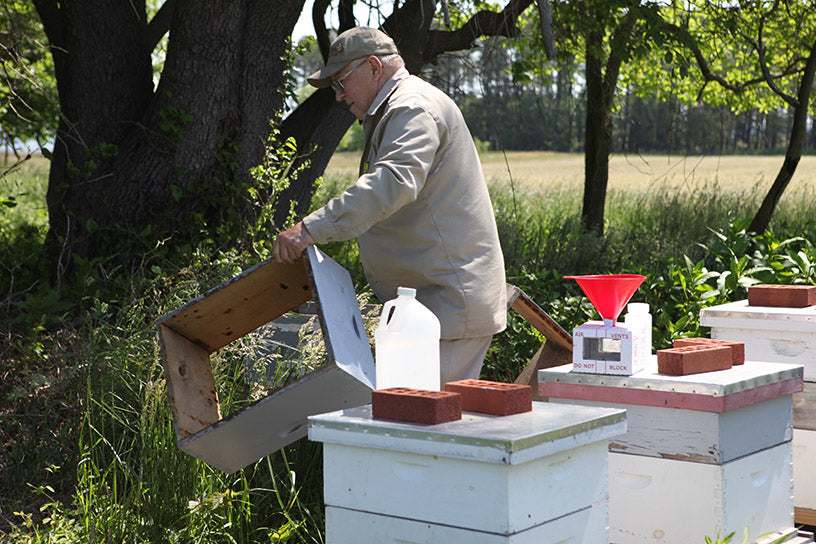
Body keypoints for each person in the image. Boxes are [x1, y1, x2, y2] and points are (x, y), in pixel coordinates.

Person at [273, 27, 506, 385]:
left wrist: (309, 229)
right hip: (429, 307)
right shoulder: (396, 109)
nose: (338, 96)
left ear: (372, 66)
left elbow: (393, 182)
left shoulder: (412, 107)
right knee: (411, 427)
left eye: (341, 82)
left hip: (446, 308)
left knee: (425, 431)